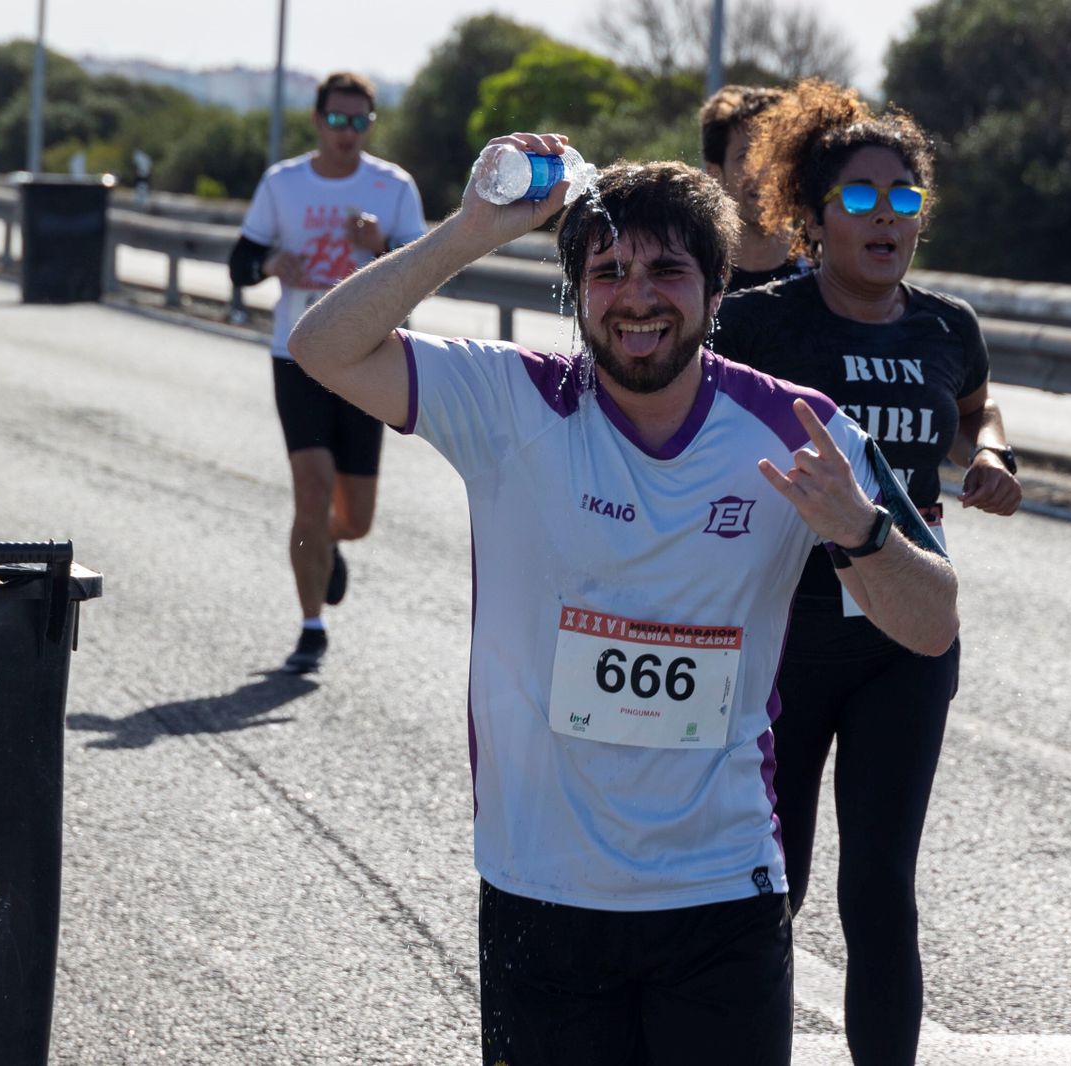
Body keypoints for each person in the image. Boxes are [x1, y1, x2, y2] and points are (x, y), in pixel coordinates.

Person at [289, 132, 960, 1065]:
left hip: (722, 890)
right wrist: (475, 230)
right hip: (540, 890)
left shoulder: (802, 430)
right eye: (607, 272)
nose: (637, 296)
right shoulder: (510, 403)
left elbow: (933, 625)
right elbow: (318, 344)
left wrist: (863, 531)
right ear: (575, 294)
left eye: (667, 271)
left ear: (717, 290)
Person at [709, 78, 1023, 1066]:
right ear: (810, 214)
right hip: (782, 636)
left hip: (905, 637)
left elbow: (978, 409)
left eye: (901, 197)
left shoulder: (945, 325)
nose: (883, 216)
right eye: (857, 197)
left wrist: (994, 457)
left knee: (880, 887)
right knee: (776, 881)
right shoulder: (758, 324)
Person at [227, 71, 426, 674]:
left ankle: (330, 542)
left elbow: (425, 271)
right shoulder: (283, 183)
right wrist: (269, 263)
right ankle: (311, 627)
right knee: (310, 489)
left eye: (359, 121)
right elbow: (239, 263)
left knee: (357, 518)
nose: (347, 132)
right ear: (317, 120)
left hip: (369, 356)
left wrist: (384, 241)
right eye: (337, 120)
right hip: (299, 354)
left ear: (371, 123)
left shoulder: (393, 188)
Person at [700, 85, 807, 291]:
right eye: (747, 156)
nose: (765, 170)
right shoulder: (698, 284)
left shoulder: (831, 276)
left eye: (776, 153)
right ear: (714, 173)